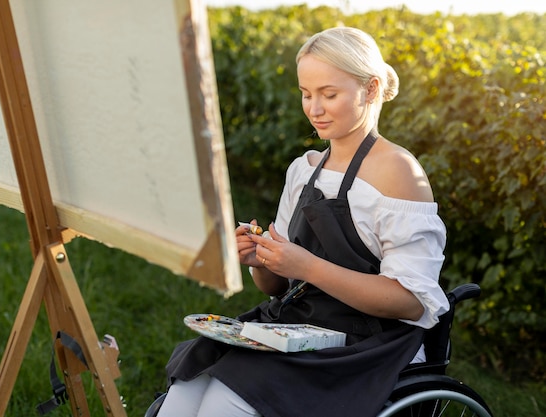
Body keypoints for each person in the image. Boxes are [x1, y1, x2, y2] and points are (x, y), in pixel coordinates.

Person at [156, 26, 449, 417]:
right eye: (306, 94)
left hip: (367, 343)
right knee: (187, 390)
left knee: (225, 404)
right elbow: (278, 287)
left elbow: (410, 302)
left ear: (371, 89)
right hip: (299, 325)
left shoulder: (399, 173)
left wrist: (305, 264)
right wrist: (263, 261)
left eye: (329, 94)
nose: (314, 108)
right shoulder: (304, 170)